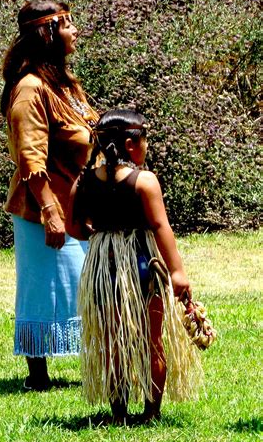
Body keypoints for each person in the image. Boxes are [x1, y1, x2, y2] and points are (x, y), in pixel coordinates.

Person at [66, 109, 203, 423]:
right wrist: (178, 273)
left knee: (113, 341)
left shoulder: (85, 180)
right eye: (145, 139)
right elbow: (160, 226)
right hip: (142, 262)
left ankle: (119, 412)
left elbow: (73, 227)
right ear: (130, 144)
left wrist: (99, 236)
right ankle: (151, 413)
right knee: (151, 339)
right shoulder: (145, 181)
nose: (147, 146)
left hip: (104, 267)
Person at [1, 0, 98, 391]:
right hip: (44, 207)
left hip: (77, 203)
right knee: (42, 285)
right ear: (48, 33)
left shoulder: (64, 84)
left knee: (84, 284)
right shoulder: (31, 89)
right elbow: (30, 155)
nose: (75, 31)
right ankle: (37, 377)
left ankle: (93, 361)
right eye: (68, 25)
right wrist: (50, 212)